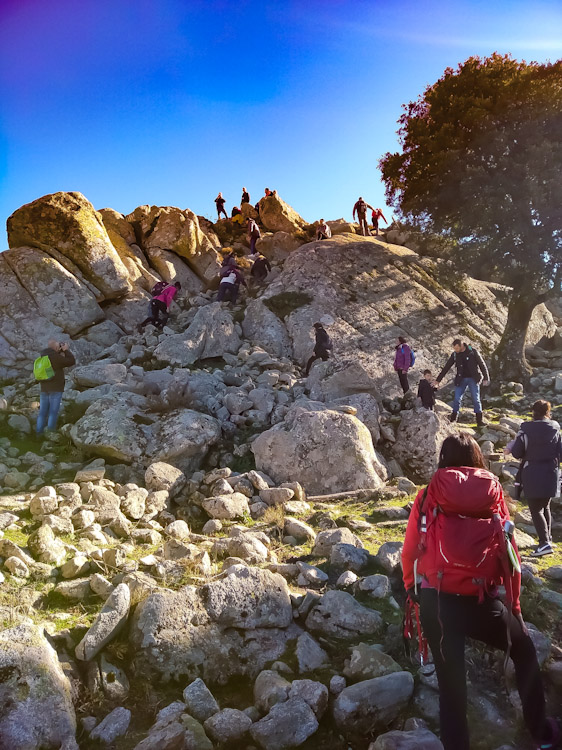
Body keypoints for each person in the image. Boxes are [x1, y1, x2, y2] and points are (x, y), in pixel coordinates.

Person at [402, 433, 559, 750]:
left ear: (443, 459)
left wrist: (411, 589)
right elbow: (509, 550)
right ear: (477, 457)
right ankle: (542, 734)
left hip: (437, 602)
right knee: (524, 651)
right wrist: (513, 605)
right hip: (482, 600)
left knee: (451, 687)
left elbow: (410, 552)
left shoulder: (428, 494)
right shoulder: (493, 491)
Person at [507, 400, 562, 557]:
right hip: (551, 472)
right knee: (545, 506)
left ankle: (544, 543)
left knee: (535, 509)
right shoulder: (555, 427)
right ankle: (548, 539)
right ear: (547, 412)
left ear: (533, 411)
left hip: (532, 472)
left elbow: (517, 452)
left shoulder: (526, 428)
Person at [435, 338, 490, 426]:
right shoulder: (455, 355)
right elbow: (446, 367)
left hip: (473, 378)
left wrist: (486, 378)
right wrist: (438, 380)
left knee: (476, 399)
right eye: (454, 349)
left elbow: (482, 364)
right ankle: (453, 419)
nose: (455, 350)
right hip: (460, 380)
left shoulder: (473, 352)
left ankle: (479, 421)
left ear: (461, 346)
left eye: (456, 348)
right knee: (457, 399)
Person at [35, 339, 76, 437]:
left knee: (42, 413)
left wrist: (60, 352)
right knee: (53, 413)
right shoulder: (56, 357)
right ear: (56, 347)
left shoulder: (43, 356)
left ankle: (38, 434)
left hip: (44, 389)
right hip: (56, 389)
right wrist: (66, 350)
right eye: (58, 346)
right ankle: (50, 434)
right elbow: (71, 361)